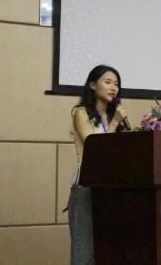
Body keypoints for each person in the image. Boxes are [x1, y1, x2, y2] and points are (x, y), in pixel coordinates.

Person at [65, 65, 128, 265]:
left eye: (116, 84)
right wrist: (115, 123)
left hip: (110, 189)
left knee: (107, 252)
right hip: (86, 187)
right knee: (84, 255)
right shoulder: (81, 113)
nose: (113, 88)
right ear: (93, 85)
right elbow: (95, 148)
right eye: (108, 82)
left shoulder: (112, 116)